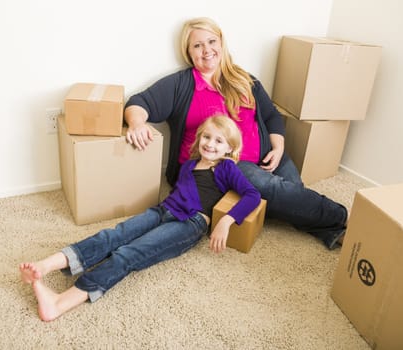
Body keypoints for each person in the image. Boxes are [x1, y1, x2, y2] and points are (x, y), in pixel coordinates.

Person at [124, 17, 347, 250]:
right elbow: (139, 102)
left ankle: (331, 231)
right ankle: (343, 218)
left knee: (292, 194)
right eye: (197, 45)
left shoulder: (244, 79)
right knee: (277, 191)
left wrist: (278, 148)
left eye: (211, 41)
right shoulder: (181, 84)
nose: (207, 50)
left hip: (265, 155)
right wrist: (137, 123)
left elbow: (271, 115)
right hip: (221, 165)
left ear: (221, 43)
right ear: (188, 52)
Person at [20, 116, 261, 322]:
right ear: (199, 138)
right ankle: (47, 265)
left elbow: (252, 195)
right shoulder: (188, 166)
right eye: (207, 137)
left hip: (189, 223)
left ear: (229, 148)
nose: (210, 144)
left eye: (219, 141)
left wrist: (226, 221)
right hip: (161, 211)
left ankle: (60, 303)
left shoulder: (226, 168)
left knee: (129, 253)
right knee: (113, 235)